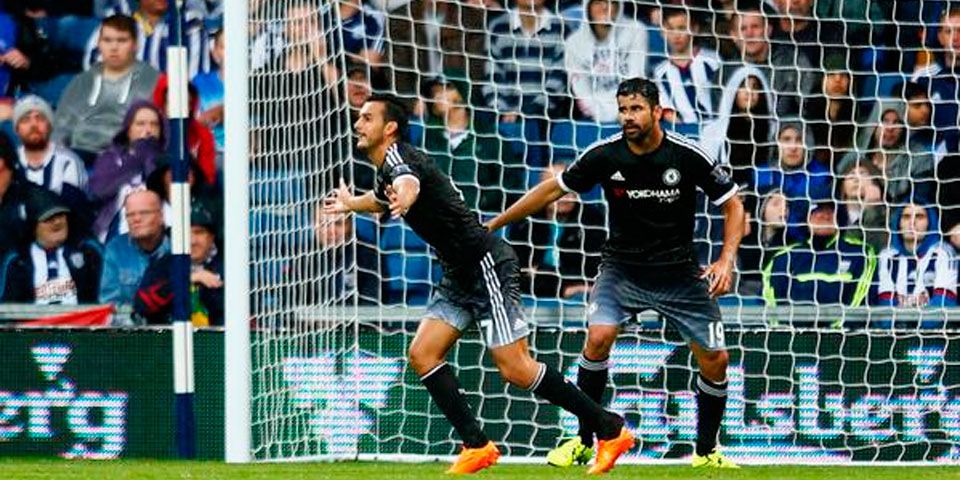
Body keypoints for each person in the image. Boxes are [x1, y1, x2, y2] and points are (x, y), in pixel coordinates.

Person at [323, 93, 634, 475]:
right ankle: (476, 444)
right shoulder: (388, 165)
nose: (358, 123)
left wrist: (405, 198)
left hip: (486, 265)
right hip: (457, 275)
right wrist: (351, 204)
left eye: (367, 117)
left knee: (517, 369)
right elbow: (383, 198)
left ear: (389, 128)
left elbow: (408, 185)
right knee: (422, 354)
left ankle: (610, 428)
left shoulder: (401, 161)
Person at [487, 78, 745, 469]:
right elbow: (550, 191)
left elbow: (734, 206)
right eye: (623, 109)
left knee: (717, 361)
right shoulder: (605, 155)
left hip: (679, 272)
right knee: (599, 338)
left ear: (658, 112)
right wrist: (493, 225)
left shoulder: (689, 155)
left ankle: (706, 451)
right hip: (622, 268)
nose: (628, 117)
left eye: (636, 109)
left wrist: (726, 260)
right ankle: (584, 441)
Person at [53, 14, 160, 165]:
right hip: (79, 153)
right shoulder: (83, 80)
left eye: (122, 40)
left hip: (124, 157)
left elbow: (153, 131)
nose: (114, 47)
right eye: (107, 40)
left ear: (135, 45)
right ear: (99, 44)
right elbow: (60, 127)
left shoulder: (151, 80)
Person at [507, 163, 606, 299]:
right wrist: (561, 289)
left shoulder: (592, 220)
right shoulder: (525, 220)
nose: (564, 197)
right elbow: (518, 270)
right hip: (539, 291)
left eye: (569, 191)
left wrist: (542, 271)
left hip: (580, 297)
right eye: (557, 191)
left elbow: (593, 271)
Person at [762, 201, 876, 311]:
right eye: (817, 210)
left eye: (831, 211)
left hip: (843, 330)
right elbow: (772, 300)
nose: (825, 216)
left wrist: (836, 328)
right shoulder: (784, 257)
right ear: (806, 218)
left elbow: (859, 300)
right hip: (791, 329)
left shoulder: (860, 253)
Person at [0, 189, 102, 304]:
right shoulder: (18, 262)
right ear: (34, 226)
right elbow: (7, 308)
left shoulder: (88, 253)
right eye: (49, 218)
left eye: (61, 215)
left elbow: (104, 295)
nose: (57, 222)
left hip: (83, 321)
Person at [88, 100, 166, 242]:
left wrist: (149, 154)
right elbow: (99, 191)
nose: (148, 130)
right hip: (113, 230)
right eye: (141, 124)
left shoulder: (168, 160)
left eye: (154, 124)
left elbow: (160, 187)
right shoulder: (109, 157)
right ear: (128, 129)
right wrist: (137, 157)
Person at [564, 0, 648, 123]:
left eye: (612, 2)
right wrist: (606, 116)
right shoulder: (573, 43)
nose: (605, 7)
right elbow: (581, 91)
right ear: (588, 7)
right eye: (598, 2)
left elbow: (637, 77)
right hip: (595, 116)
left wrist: (625, 111)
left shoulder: (636, 31)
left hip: (633, 111)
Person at [876, 203, 957, 318]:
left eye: (919, 216)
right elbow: (884, 308)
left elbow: (943, 305)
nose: (912, 222)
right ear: (898, 222)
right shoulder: (887, 256)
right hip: (895, 332)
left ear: (930, 223)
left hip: (932, 332)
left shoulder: (944, 253)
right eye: (906, 216)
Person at [99, 189, 170, 309]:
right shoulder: (115, 249)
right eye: (130, 214)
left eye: (144, 213)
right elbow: (109, 304)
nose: (136, 219)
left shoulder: (178, 245)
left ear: (161, 216)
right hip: (129, 325)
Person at [653, 5, 722, 127]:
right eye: (670, 29)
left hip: (715, 129)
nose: (676, 35)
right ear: (663, 32)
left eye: (682, 28)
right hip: (685, 133)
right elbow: (667, 110)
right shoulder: (660, 72)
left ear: (694, 29)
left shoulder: (712, 61)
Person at [12, 95, 88, 206]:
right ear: (17, 129)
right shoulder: (9, 162)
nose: (34, 125)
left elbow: (72, 210)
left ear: (49, 126)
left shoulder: (68, 161)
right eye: (26, 119)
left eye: (40, 118)